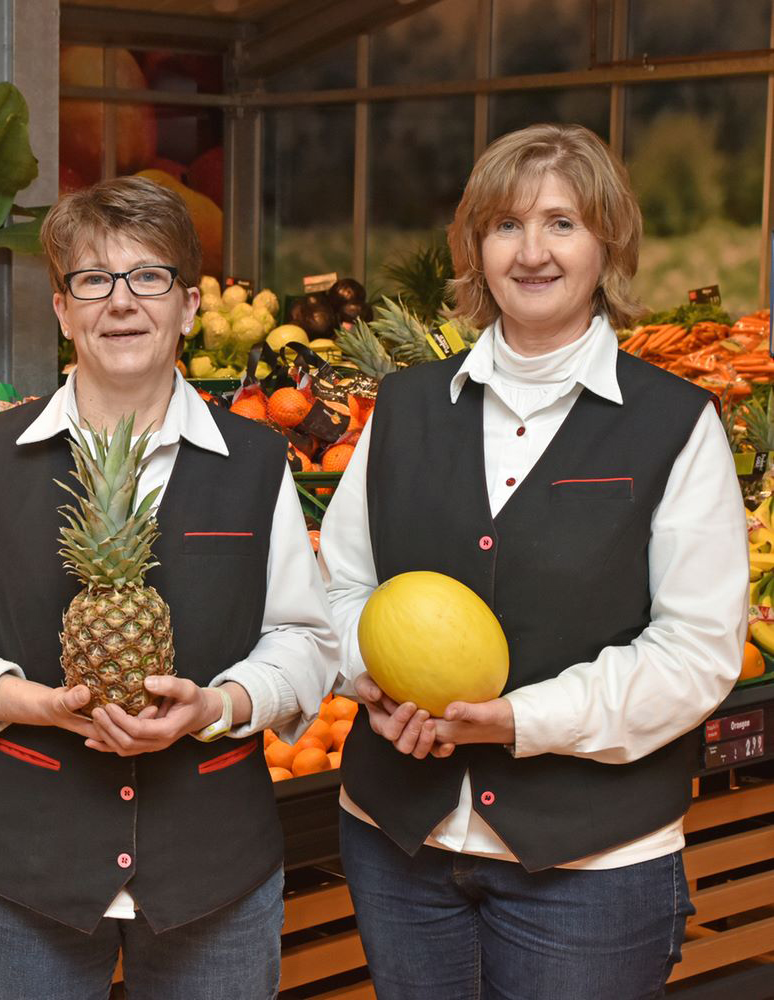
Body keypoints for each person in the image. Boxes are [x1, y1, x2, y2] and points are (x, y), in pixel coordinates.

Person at [0, 175, 339, 999]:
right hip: (27, 873)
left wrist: (219, 706)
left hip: (216, 871)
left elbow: (306, 642)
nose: (120, 303)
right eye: (93, 280)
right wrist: (34, 702)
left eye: (148, 277)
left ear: (190, 305)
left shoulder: (258, 459)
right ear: (63, 310)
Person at [320, 123, 748, 999]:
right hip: (400, 848)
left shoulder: (673, 423)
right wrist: (370, 678)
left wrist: (517, 719)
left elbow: (696, 652)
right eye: (507, 225)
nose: (533, 251)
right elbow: (338, 588)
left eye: (563, 223)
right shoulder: (403, 409)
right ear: (476, 247)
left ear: (608, 243)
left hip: (591, 871)